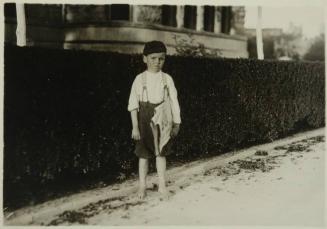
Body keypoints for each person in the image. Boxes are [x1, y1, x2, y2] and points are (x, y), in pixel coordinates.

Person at [128, 40, 181, 199]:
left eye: (161, 58)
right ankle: (142, 186)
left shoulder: (167, 79)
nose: (157, 62)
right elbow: (132, 105)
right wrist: (135, 127)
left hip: (163, 120)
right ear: (145, 59)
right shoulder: (139, 79)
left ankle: (162, 185)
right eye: (153, 58)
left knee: (161, 154)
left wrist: (176, 122)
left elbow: (174, 102)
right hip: (144, 120)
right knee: (144, 155)